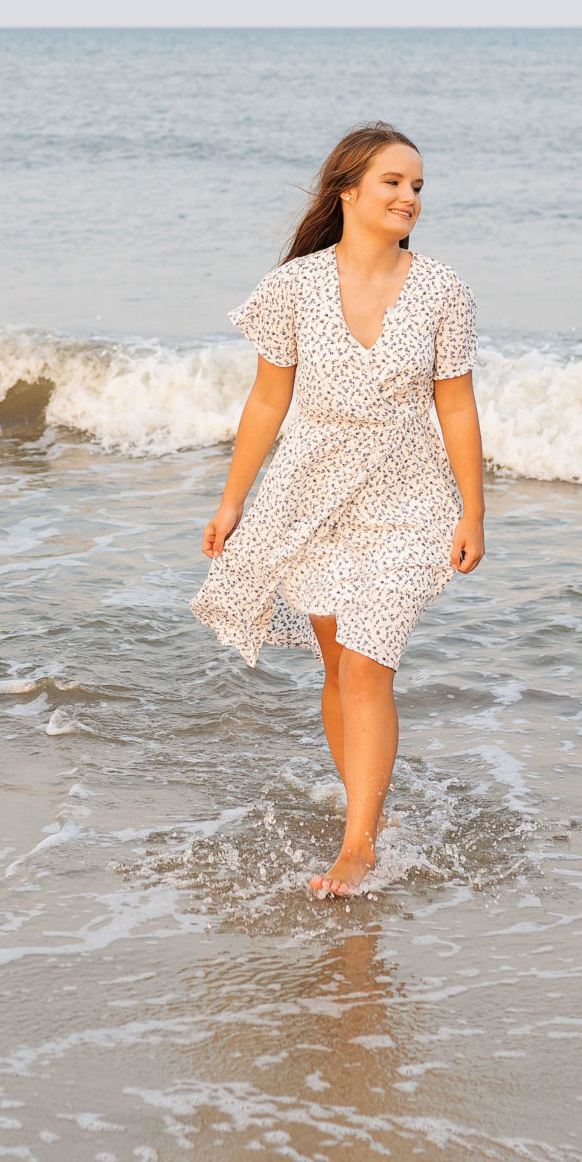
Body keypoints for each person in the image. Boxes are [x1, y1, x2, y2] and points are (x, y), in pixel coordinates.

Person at [191, 122, 486, 897]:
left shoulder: (443, 289)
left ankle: (357, 848)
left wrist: (472, 511)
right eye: (393, 182)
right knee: (335, 665)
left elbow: (455, 406)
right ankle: (369, 811)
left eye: (418, 185)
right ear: (348, 191)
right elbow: (266, 400)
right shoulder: (293, 287)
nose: (409, 197)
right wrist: (233, 502)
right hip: (309, 494)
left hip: (410, 497)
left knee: (366, 661)